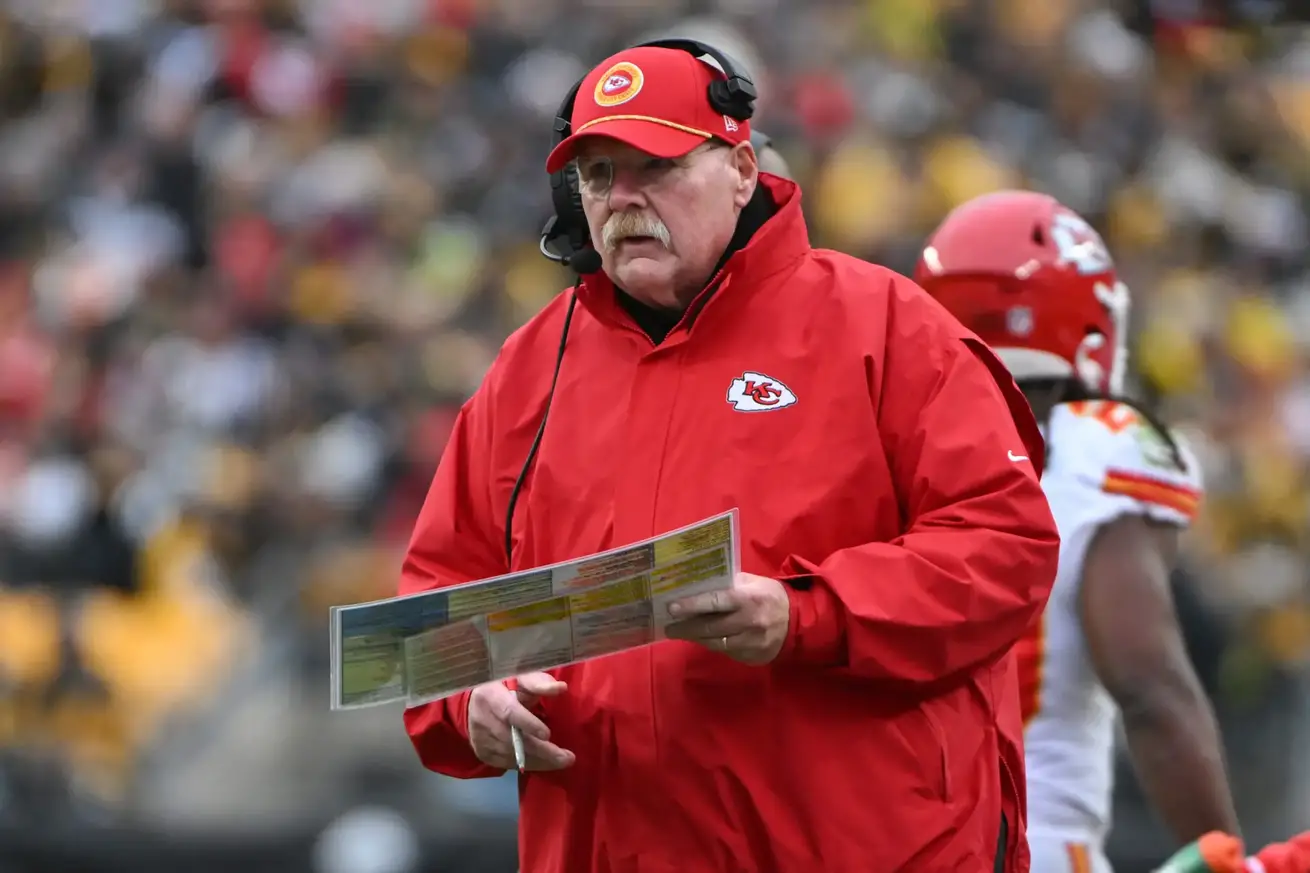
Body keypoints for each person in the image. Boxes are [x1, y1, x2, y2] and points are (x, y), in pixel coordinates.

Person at [400, 40, 1060, 873]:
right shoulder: (527, 372)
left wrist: (807, 615)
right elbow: (428, 621)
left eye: (657, 165)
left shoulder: (887, 326)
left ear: (742, 170)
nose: (623, 199)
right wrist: (470, 705)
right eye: (600, 176)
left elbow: (1007, 548)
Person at [914, 191, 1241, 872]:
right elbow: (1150, 687)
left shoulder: (896, 439)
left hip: (907, 841)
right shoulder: (1096, 448)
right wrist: (1225, 854)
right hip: (1038, 839)